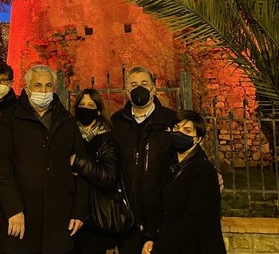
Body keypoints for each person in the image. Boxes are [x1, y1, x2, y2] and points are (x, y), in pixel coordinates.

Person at [0, 64, 89, 254]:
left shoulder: (66, 121)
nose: (43, 91)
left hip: (59, 219)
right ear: (27, 89)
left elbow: (81, 169)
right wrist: (13, 208)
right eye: (38, 86)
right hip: (22, 216)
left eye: (48, 86)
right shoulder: (11, 120)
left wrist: (79, 211)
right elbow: (0, 166)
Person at [110, 66, 176, 254]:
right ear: (127, 91)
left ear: (154, 89)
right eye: (133, 84)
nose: (139, 88)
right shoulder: (116, 122)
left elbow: (190, 153)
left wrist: (214, 175)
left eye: (144, 84)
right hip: (127, 221)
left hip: (161, 217)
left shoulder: (170, 120)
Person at [141, 110, 226, 254]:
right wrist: (150, 237)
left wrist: (161, 247)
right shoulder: (167, 163)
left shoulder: (203, 170)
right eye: (176, 128)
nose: (179, 133)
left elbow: (195, 219)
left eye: (187, 130)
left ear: (198, 138)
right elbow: (157, 204)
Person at [70, 88, 123, 254]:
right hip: (70, 215)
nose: (85, 108)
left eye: (90, 105)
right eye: (82, 104)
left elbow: (109, 177)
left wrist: (78, 163)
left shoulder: (107, 139)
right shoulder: (69, 135)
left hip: (97, 219)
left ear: (98, 110)